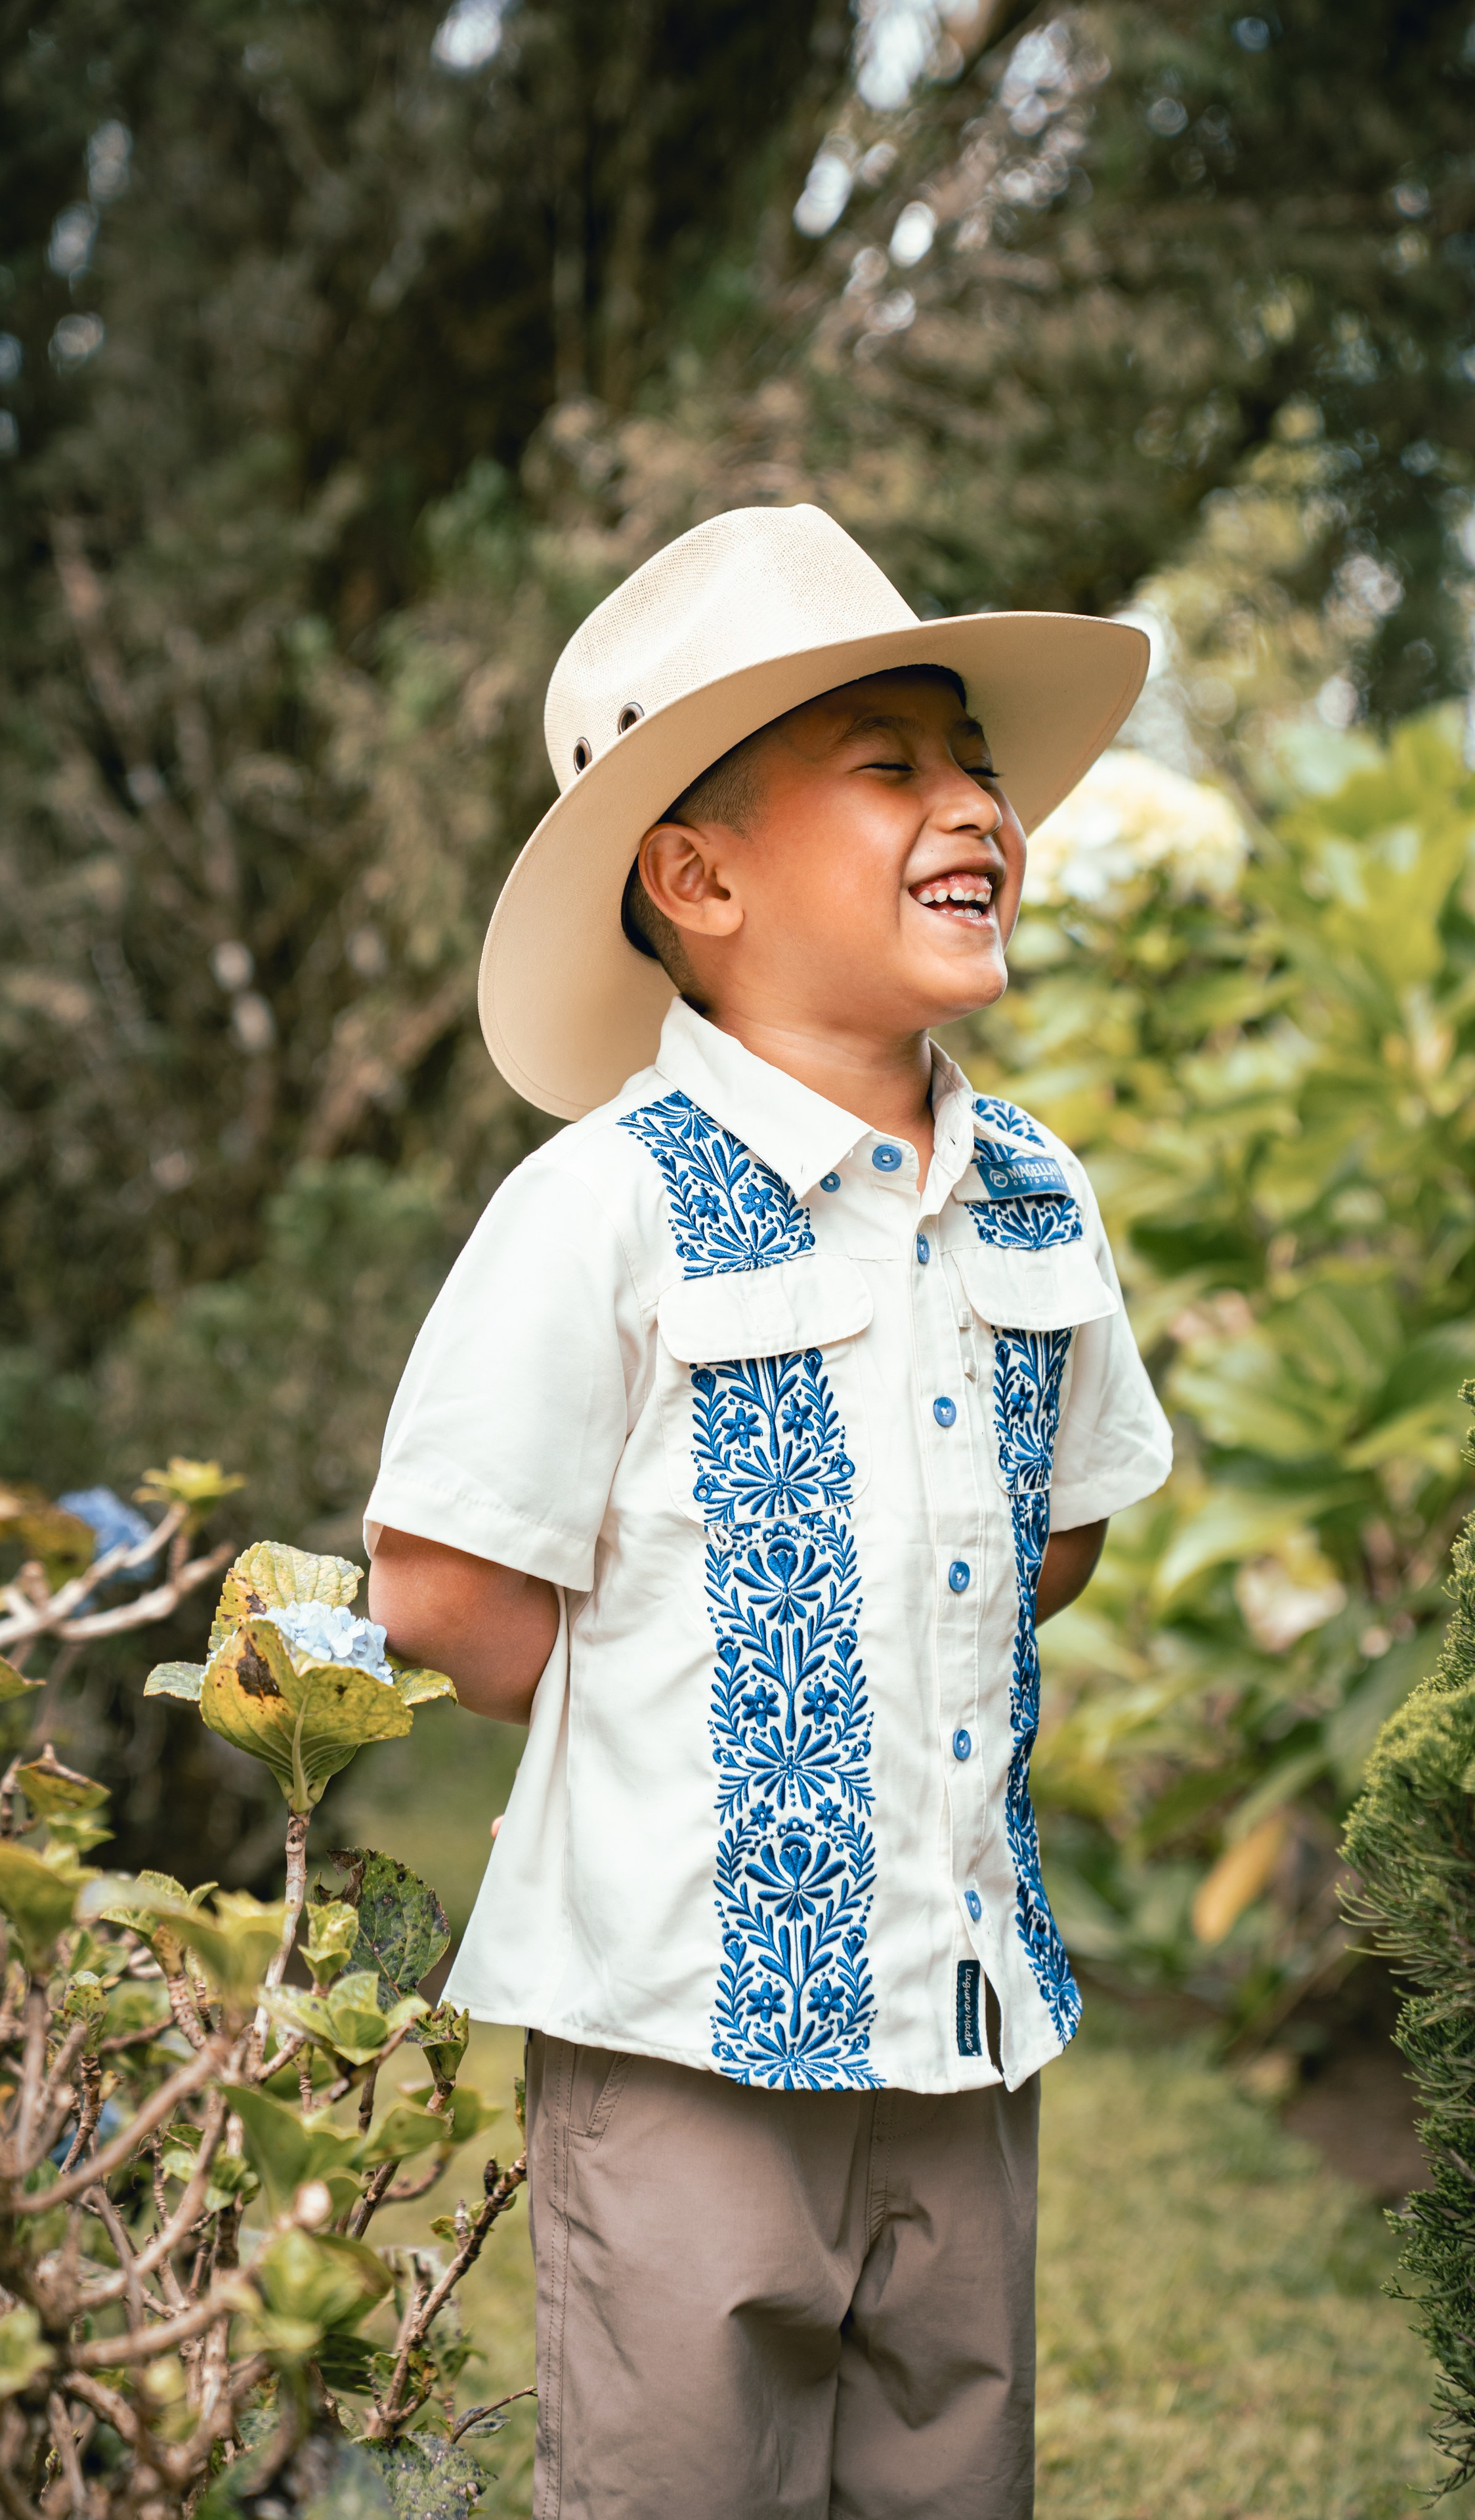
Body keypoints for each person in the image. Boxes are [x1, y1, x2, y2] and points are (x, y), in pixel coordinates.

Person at [364, 504, 1173, 2519]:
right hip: (683, 2028)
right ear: (700, 874)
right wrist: (698, 1708)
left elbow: (1058, 1522)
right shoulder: (606, 1204)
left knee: (950, 2452)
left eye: (973, 758)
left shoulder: (1033, 1193)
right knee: (682, 2469)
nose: (972, 801)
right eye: (891, 762)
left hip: (963, 2013)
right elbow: (451, 1587)